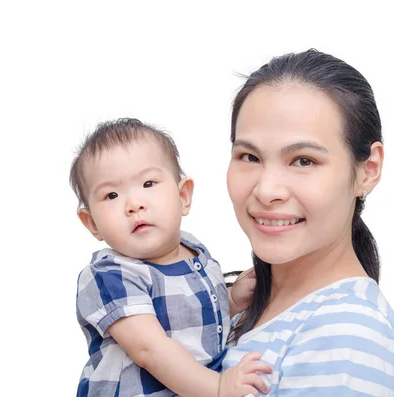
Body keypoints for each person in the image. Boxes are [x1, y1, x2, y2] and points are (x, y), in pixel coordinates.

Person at [222, 49, 394, 396]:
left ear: (367, 170)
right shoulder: (237, 305)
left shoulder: (349, 331)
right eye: (249, 156)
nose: (267, 190)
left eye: (303, 160)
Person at [70, 118, 271, 397]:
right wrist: (218, 387)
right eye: (112, 195)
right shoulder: (110, 275)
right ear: (92, 223)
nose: (134, 204)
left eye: (148, 183)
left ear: (183, 196)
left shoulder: (196, 251)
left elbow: (194, 316)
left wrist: (232, 300)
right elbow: (149, 349)